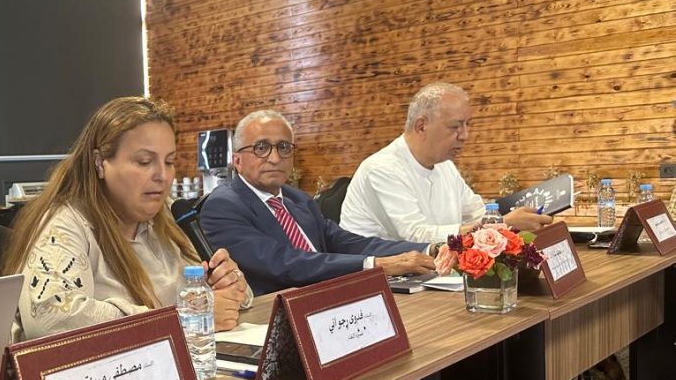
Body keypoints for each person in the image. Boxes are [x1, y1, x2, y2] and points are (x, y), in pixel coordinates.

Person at [1, 97, 251, 342]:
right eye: (144, 162)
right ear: (100, 163)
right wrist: (184, 318)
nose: (163, 175)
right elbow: (50, 321)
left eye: (169, 161)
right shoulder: (65, 222)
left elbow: (232, 302)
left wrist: (230, 285)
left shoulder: (170, 213)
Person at [200, 110, 435, 296]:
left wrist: (428, 249)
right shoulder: (224, 205)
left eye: (284, 147)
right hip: (273, 315)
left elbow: (346, 242)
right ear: (237, 160)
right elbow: (284, 263)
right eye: (261, 148)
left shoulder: (297, 198)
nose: (274, 158)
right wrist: (375, 265)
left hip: (330, 299)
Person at [339, 82, 552, 243]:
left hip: (429, 273)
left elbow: (476, 213)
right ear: (421, 126)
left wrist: (521, 217)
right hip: (383, 279)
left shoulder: (445, 165)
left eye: (467, 125)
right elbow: (414, 236)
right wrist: (501, 224)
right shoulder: (381, 168)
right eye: (455, 127)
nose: (465, 135)